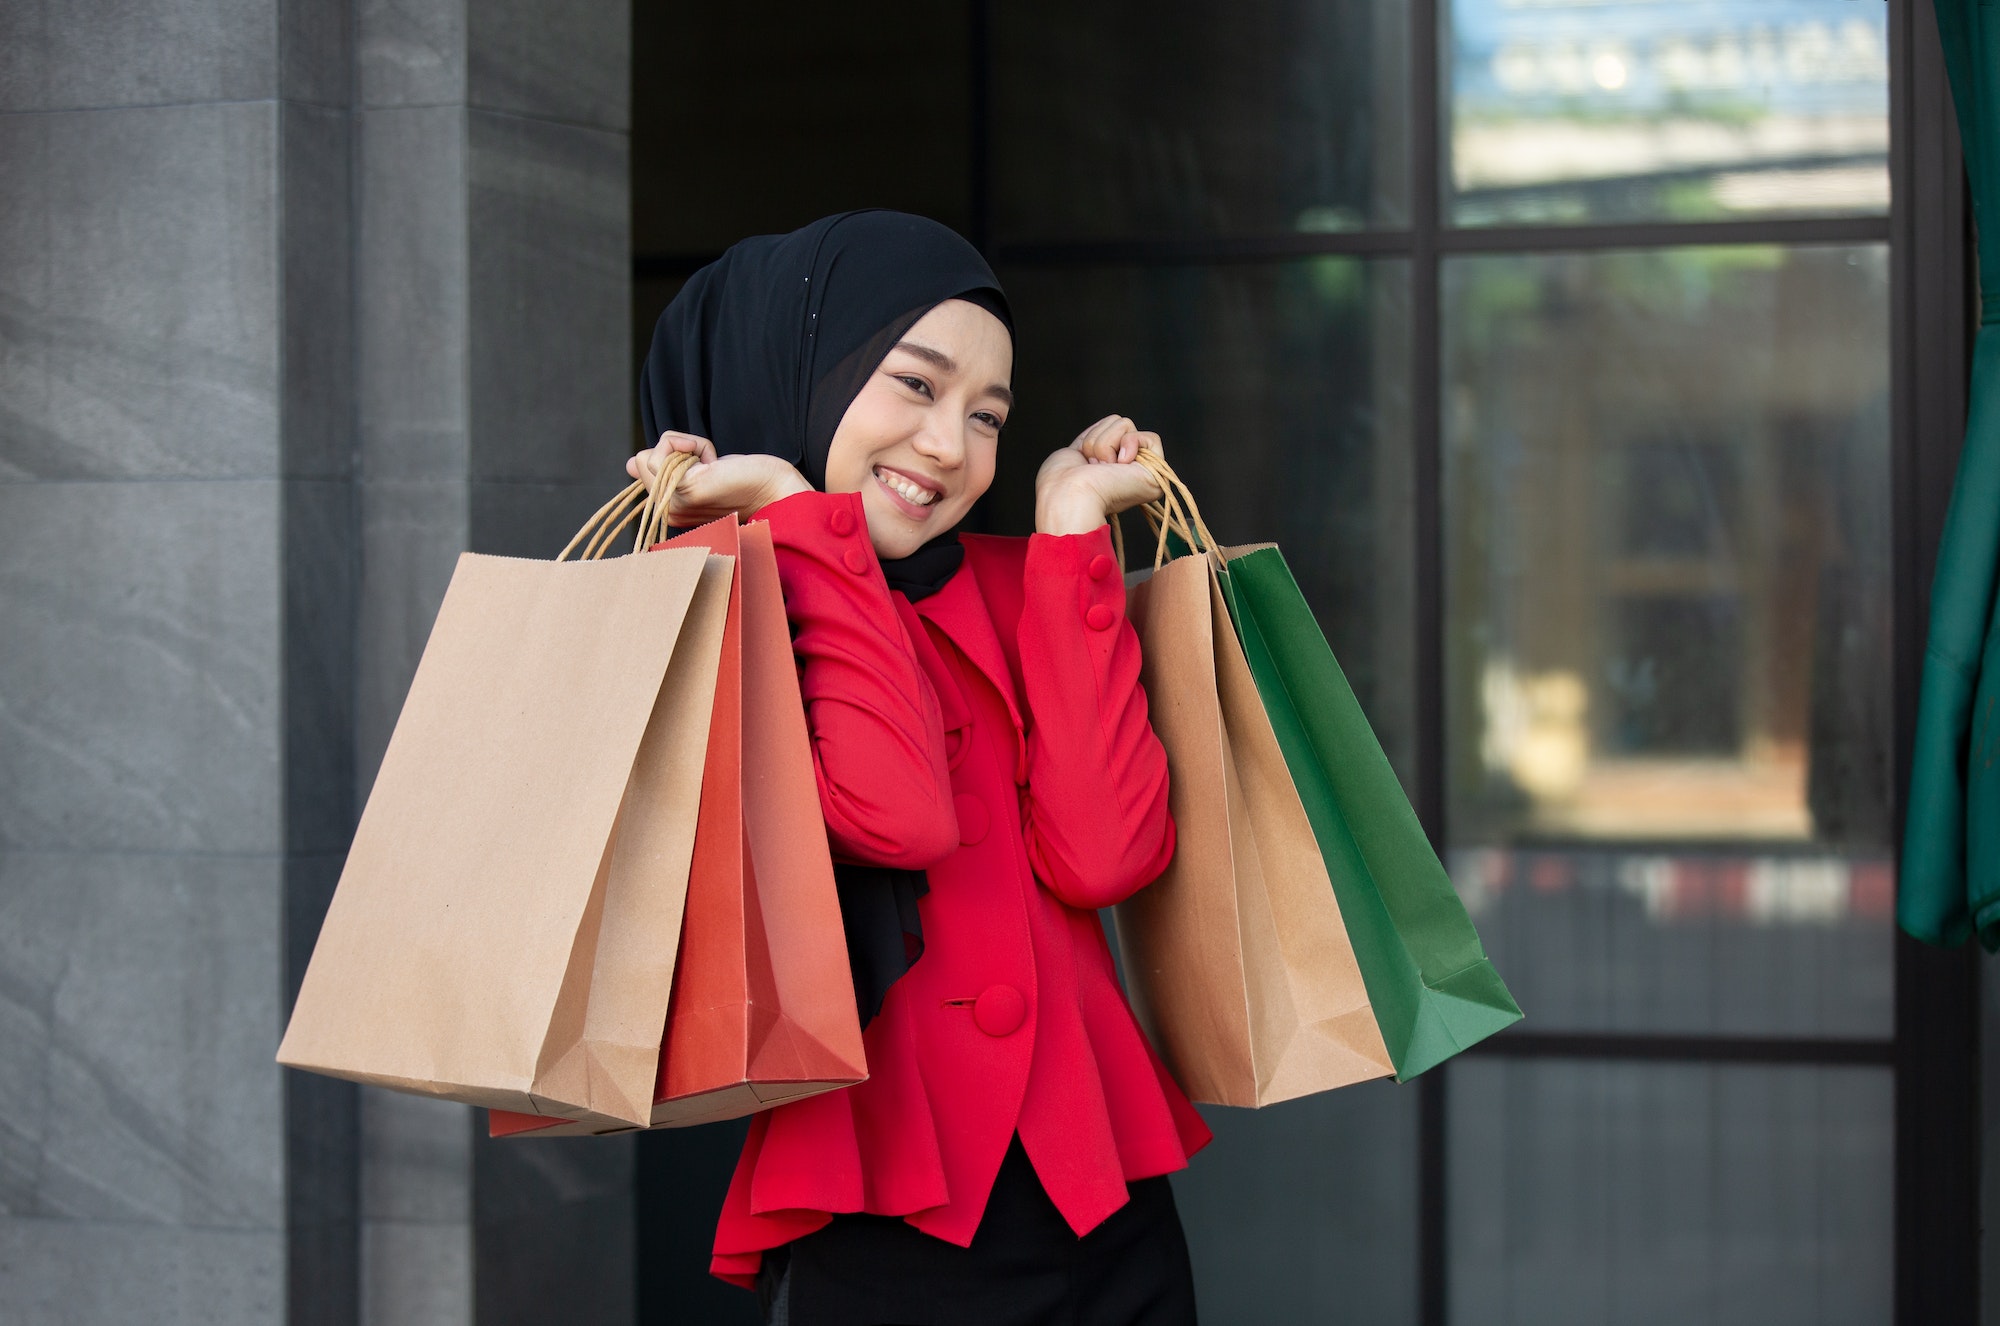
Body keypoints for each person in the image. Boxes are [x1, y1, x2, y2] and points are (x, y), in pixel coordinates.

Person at [630, 210, 1210, 1326]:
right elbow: (894, 820)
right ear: (794, 366)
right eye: (915, 383)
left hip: (1104, 1205)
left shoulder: (1027, 581)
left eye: (986, 414)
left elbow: (1105, 860)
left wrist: (1070, 529)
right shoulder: (712, 608)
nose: (950, 446)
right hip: (884, 1214)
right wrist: (797, 520)